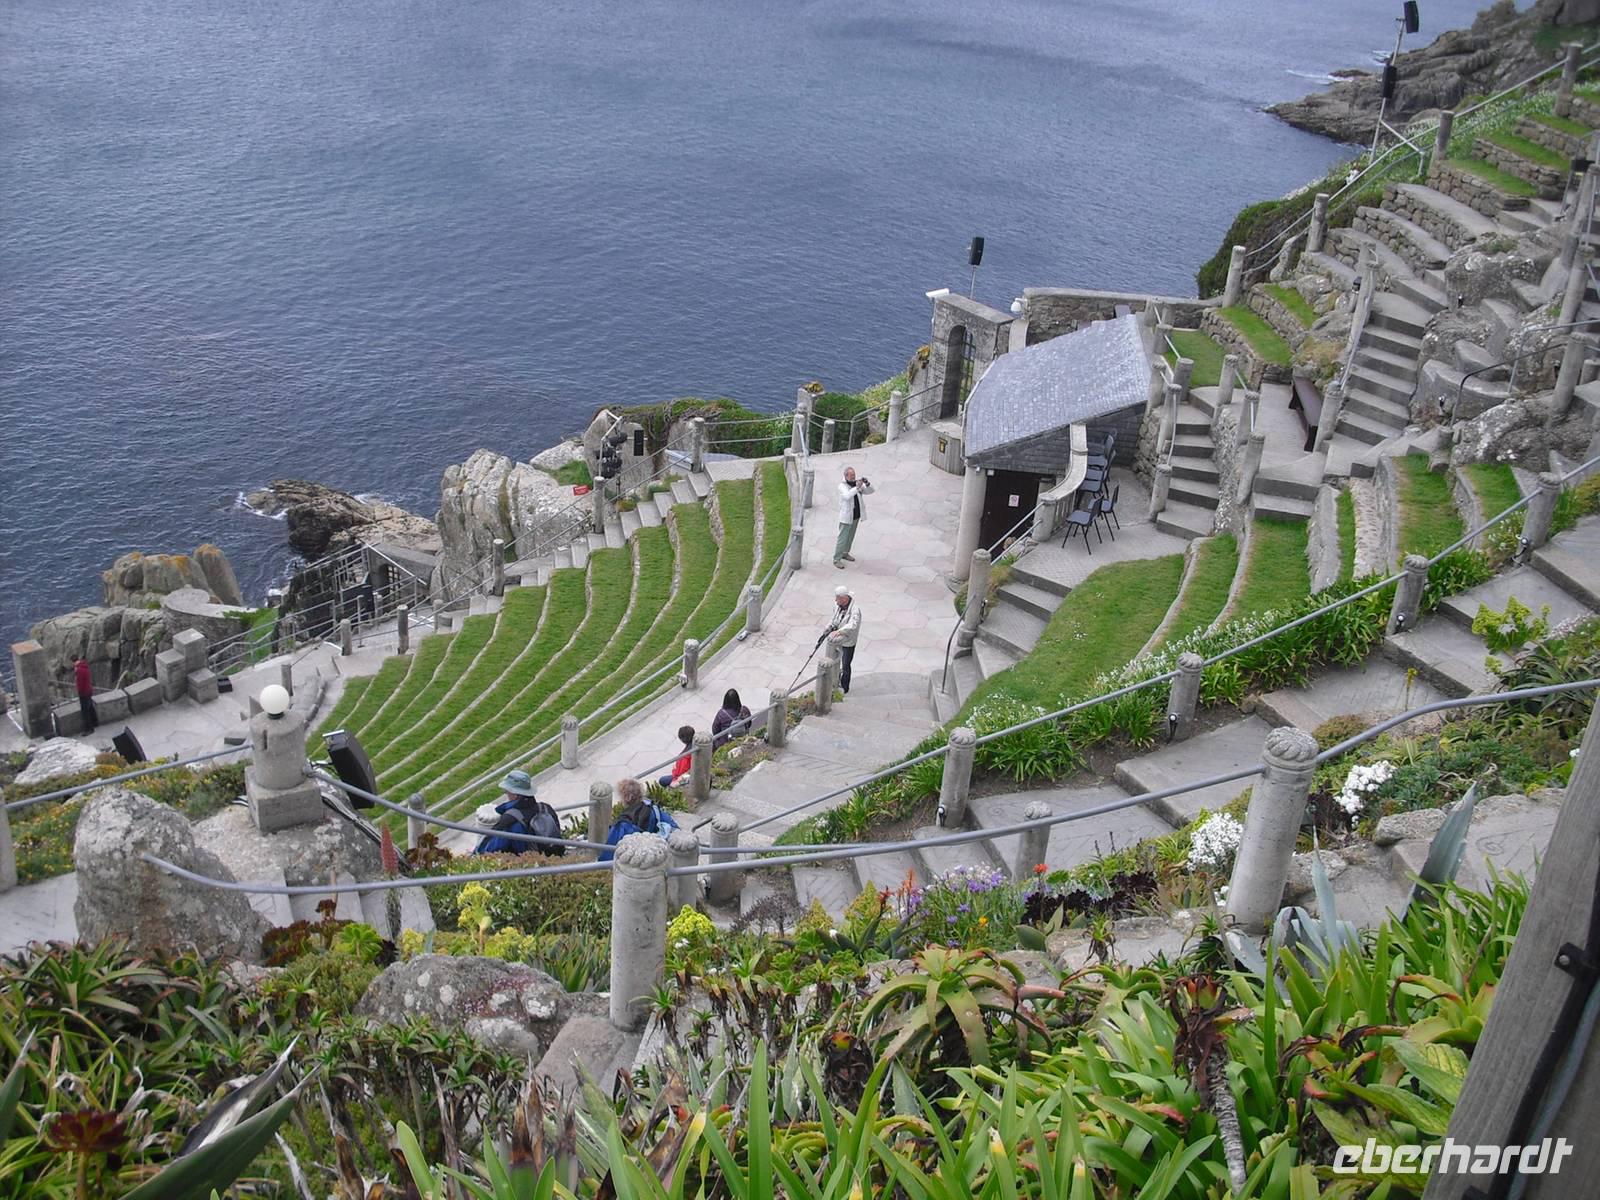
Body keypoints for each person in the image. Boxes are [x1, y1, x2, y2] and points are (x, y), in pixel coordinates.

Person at [474, 769, 565, 856]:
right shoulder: (546, 808)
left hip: (529, 862)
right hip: (554, 856)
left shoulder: (510, 819)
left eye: (507, 791)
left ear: (515, 795)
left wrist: (475, 854)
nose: (506, 794)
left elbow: (491, 849)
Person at [599, 777, 680, 861]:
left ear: (625, 798)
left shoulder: (622, 824)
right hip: (653, 854)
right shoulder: (653, 809)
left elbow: (608, 853)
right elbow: (674, 827)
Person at [833, 465, 875, 569]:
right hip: (846, 517)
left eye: (854, 475)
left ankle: (845, 553)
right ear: (846, 476)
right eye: (851, 475)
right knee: (842, 538)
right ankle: (836, 559)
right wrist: (857, 487)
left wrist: (867, 484)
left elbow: (870, 491)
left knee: (850, 537)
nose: (853, 477)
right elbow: (847, 496)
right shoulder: (842, 486)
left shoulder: (857, 484)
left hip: (855, 516)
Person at [825, 585, 862, 695]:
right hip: (837, 639)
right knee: (834, 660)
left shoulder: (855, 610)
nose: (836, 600)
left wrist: (840, 631)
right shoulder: (837, 606)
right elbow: (834, 619)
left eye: (838, 598)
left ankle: (845, 687)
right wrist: (828, 627)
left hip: (848, 641)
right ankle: (834, 681)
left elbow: (853, 625)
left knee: (846, 664)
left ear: (844, 599)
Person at [73, 656, 97, 734]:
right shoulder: (85, 666)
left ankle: (89, 729)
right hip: (89, 690)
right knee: (90, 708)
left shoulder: (79, 670)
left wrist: (79, 691)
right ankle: (95, 722)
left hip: (84, 692)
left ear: (73, 662)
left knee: (85, 711)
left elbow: (80, 683)